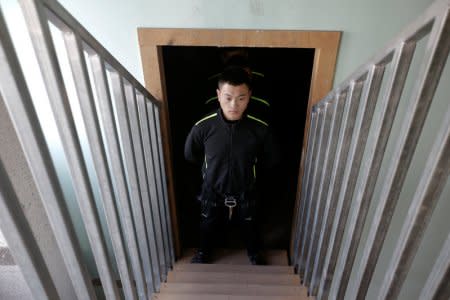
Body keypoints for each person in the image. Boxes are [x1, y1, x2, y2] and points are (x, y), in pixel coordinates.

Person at [184, 66, 278, 265]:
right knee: (207, 225)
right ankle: (203, 254)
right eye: (228, 97)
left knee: (250, 225)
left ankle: (254, 254)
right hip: (212, 191)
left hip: (246, 190)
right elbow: (190, 155)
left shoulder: (260, 128)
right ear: (218, 95)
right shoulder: (203, 126)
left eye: (241, 98)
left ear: (249, 96)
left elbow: (270, 160)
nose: (234, 104)